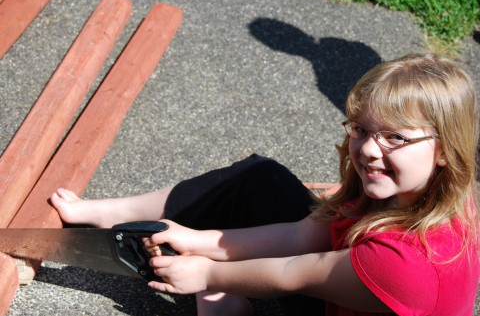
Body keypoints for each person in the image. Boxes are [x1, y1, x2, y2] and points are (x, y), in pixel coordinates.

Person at [51, 53, 480, 316]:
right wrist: (195, 239)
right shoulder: (406, 188)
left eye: (395, 138)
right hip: (346, 280)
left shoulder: (409, 263)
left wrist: (205, 272)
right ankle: (113, 213)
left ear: (444, 149)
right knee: (259, 178)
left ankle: (221, 303)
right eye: (361, 129)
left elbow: (294, 272)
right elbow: (300, 235)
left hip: (340, 291)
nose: (369, 149)